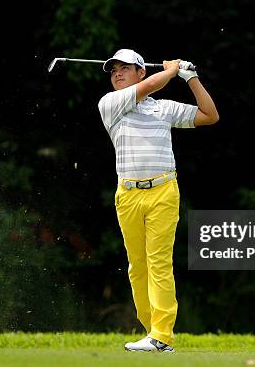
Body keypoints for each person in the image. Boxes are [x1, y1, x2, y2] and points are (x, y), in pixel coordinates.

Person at [98, 49, 219, 352]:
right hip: (127, 195)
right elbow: (151, 86)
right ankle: (153, 330)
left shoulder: (162, 109)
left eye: (125, 68)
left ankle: (161, 336)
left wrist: (190, 78)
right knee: (137, 267)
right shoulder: (110, 104)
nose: (117, 74)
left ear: (141, 71)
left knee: (159, 263)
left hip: (164, 192)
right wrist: (172, 69)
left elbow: (210, 115)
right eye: (113, 70)